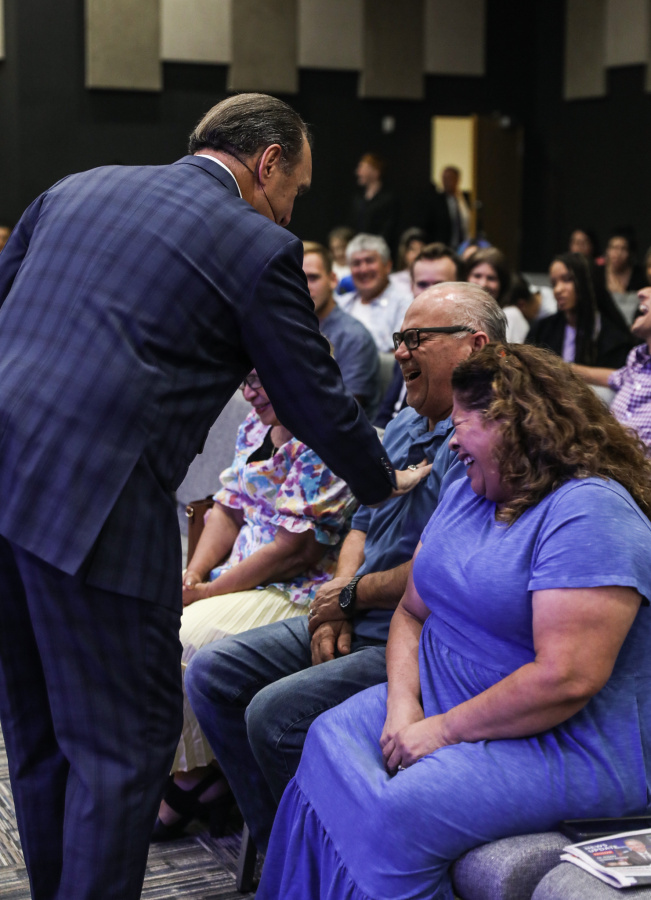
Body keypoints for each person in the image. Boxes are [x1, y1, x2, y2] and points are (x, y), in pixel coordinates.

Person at [0, 93, 425, 900]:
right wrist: (381, 478)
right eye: (296, 189)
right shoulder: (254, 242)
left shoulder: (74, 187)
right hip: (98, 505)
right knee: (125, 743)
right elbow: (310, 395)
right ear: (268, 162)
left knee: (40, 726)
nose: (292, 208)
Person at [257, 343, 651, 900]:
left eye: (463, 423)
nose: (451, 440)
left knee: (400, 810)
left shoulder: (591, 511)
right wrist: (403, 705)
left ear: (516, 423)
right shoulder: (470, 489)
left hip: (562, 740)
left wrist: (441, 731)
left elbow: (565, 678)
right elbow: (411, 610)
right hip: (444, 694)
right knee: (325, 739)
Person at [185, 284, 507, 853]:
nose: (400, 351)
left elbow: (440, 571)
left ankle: (320, 860)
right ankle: (280, 847)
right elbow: (361, 520)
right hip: (359, 608)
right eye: (399, 337)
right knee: (213, 672)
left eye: (416, 338)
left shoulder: (482, 439)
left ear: (476, 346)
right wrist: (338, 594)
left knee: (272, 717)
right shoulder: (405, 423)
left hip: (418, 636)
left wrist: (349, 596)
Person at [154, 370, 357, 839]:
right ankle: (194, 768)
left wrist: (209, 594)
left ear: (293, 367)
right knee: (154, 620)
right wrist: (194, 574)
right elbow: (227, 509)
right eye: (243, 381)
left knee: (180, 636)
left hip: (298, 591)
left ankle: (195, 777)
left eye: (258, 380)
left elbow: (294, 552)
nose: (248, 394)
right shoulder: (256, 425)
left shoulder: (326, 433)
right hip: (239, 576)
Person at [375, 243, 462, 428]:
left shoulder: (461, 344)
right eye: (422, 284)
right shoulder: (408, 333)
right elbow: (387, 410)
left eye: (439, 285)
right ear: (411, 287)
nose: (429, 293)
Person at [302, 241, 380, 417]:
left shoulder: (354, 337)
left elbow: (344, 410)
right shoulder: (291, 328)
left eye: (313, 278)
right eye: (297, 279)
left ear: (333, 280)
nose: (304, 287)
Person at [573, 287, 651, 447]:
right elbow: (611, 377)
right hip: (608, 455)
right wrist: (557, 366)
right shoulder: (638, 360)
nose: (641, 292)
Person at [527, 252, 634, 369]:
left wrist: (569, 369)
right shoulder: (542, 330)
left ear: (587, 282)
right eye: (554, 284)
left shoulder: (614, 338)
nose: (558, 290)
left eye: (567, 280)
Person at [338, 233, 412, 352]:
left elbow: (399, 354)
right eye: (356, 263)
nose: (363, 269)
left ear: (387, 266)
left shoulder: (405, 304)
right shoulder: (340, 303)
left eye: (369, 261)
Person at [349, 153, 399, 253]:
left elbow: (389, 229)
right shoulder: (358, 199)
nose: (358, 172)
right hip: (359, 248)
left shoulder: (388, 199)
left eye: (363, 168)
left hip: (380, 250)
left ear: (376, 172)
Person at [604, 229, 646, 295]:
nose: (618, 253)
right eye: (614, 248)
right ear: (607, 250)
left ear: (630, 253)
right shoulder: (598, 273)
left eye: (623, 249)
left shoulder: (640, 275)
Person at [391, 227, 427, 292]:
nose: (417, 254)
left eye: (421, 249)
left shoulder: (432, 280)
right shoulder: (392, 281)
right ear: (404, 252)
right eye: (412, 249)